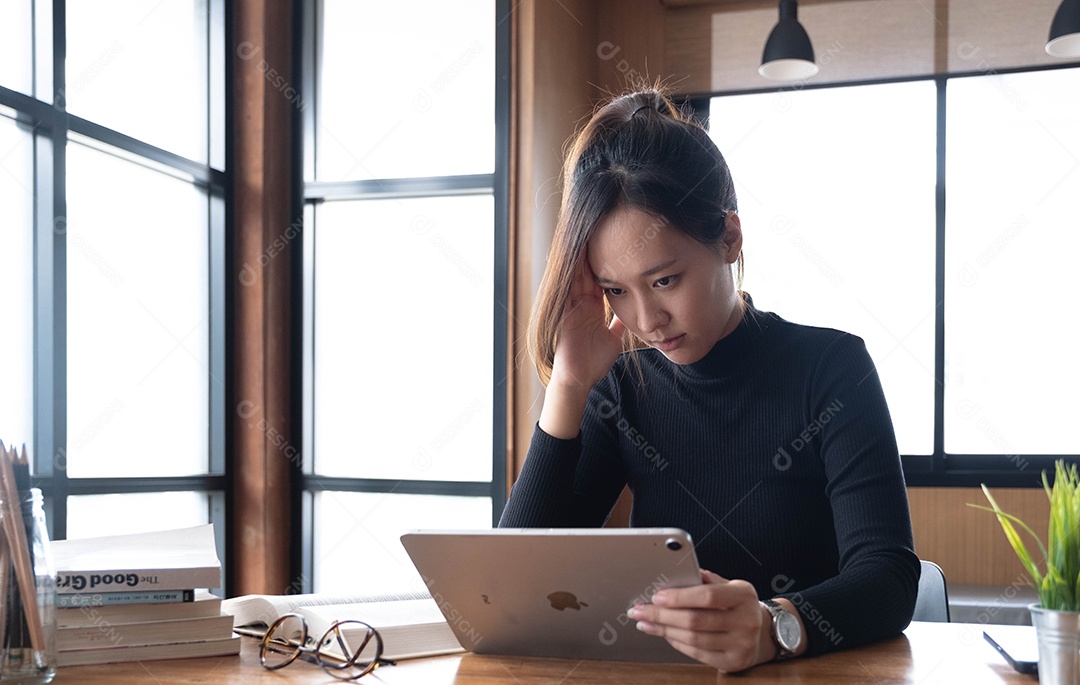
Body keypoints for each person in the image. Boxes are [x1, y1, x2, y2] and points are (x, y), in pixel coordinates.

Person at [498, 88, 920, 672]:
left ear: (729, 238)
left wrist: (776, 626)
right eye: (616, 290)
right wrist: (567, 384)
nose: (646, 322)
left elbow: (889, 576)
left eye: (665, 280)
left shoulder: (831, 367)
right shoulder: (623, 387)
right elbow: (517, 588)